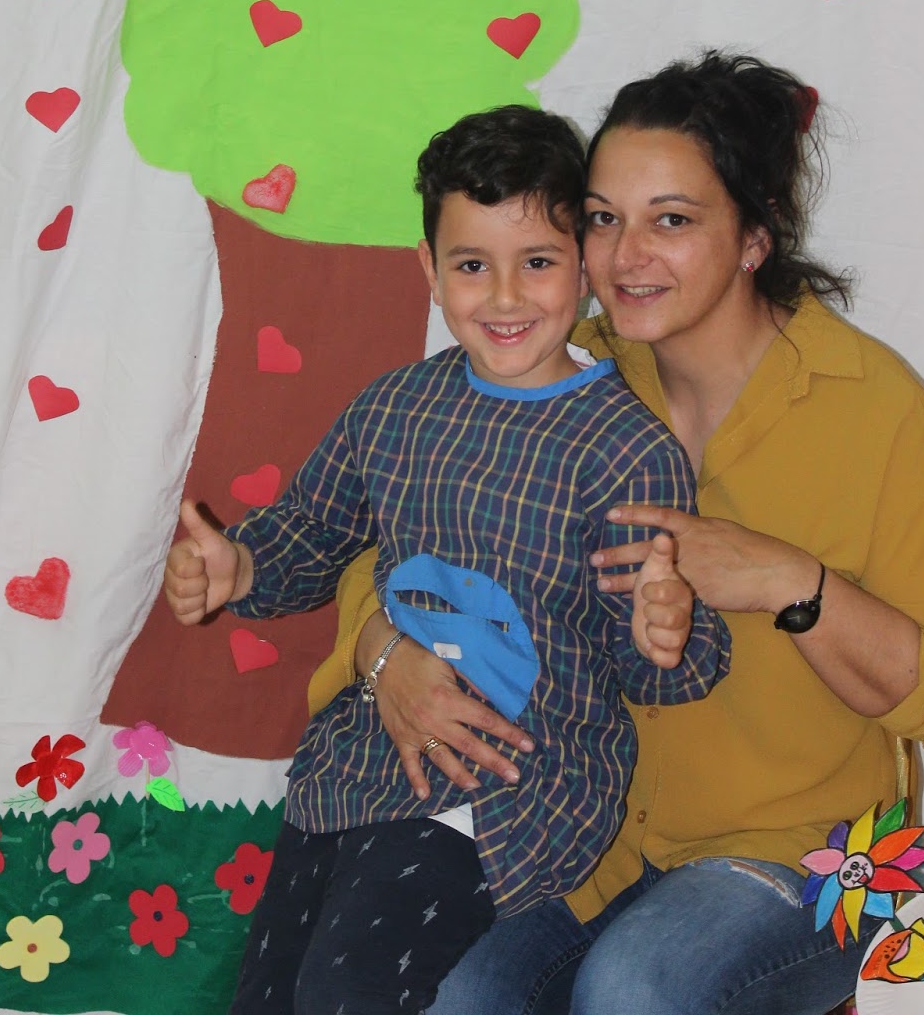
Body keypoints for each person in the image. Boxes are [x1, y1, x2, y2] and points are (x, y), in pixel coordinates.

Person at [312, 52, 924, 1015]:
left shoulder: (876, 411)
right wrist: (384, 651)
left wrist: (793, 585)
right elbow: (389, 542)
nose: (625, 256)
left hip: (819, 861)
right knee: (451, 991)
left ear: (754, 235)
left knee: (632, 989)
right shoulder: (563, 373)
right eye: (601, 218)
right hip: (585, 832)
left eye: (671, 220)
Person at [164, 103, 729, 1015]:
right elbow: (311, 530)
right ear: (429, 270)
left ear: (584, 267)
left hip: (506, 788)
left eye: (536, 262)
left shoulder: (625, 449)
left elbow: (660, 672)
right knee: (266, 994)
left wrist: (663, 627)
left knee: (347, 991)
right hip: (359, 764)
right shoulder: (393, 407)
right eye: (471, 265)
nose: (504, 298)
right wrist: (240, 568)